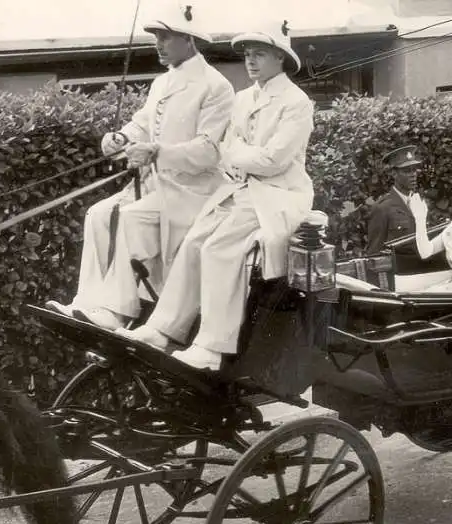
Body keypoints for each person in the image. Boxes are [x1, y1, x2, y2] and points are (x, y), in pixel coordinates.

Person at [116, 21, 315, 371]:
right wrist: (241, 155)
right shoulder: (243, 98)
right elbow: (228, 148)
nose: (250, 61)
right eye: (248, 55)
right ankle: (163, 328)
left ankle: (211, 347)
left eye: (260, 54)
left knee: (218, 249)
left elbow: (273, 161)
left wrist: (238, 154)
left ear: (281, 59)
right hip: (240, 188)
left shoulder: (297, 103)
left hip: (279, 196)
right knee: (194, 242)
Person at [46, 2, 235, 328]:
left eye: (164, 36)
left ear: (188, 39)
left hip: (196, 192)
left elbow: (208, 151)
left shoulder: (216, 86)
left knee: (130, 218)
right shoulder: (163, 83)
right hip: (156, 188)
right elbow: (142, 125)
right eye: (155, 36)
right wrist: (119, 138)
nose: (157, 44)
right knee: (99, 214)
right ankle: (87, 303)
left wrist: (156, 151)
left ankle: (117, 312)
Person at [366, 145, 425, 255]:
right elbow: (374, 254)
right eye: (407, 171)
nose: (413, 175)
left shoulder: (421, 203)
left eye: (414, 170)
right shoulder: (382, 208)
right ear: (394, 173)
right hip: (400, 271)